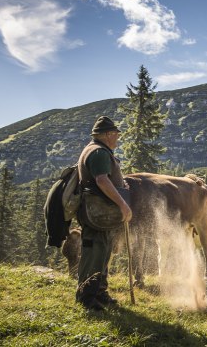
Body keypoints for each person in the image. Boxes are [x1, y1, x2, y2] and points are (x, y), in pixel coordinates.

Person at [75, 116, 132, 311]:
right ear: (107, 135)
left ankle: (99, 293)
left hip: (101, 213)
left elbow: (106, 179)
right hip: (96, 212)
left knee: (103, 252)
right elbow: (101, 180)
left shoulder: (96, 149)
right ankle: (87, 298)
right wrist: (123, 204)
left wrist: (119, 185)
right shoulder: (99, 152)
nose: (117, 138)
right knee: (95, 253)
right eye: (116, 134)